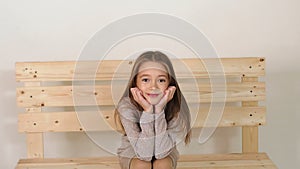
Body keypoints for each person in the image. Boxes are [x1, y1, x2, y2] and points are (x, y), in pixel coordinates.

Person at [114, 51, 191, 169]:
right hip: (133, 151)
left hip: (165, 149)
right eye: (145, 80)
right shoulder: (126, 107)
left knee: (162, 165)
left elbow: (161, 153)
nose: (153, 87)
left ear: (169, 84)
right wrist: (149, 112)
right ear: (135, 82)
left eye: (161, 80)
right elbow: (144, 155)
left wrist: (159, 111)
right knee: (142, 165)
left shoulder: (174, 106)